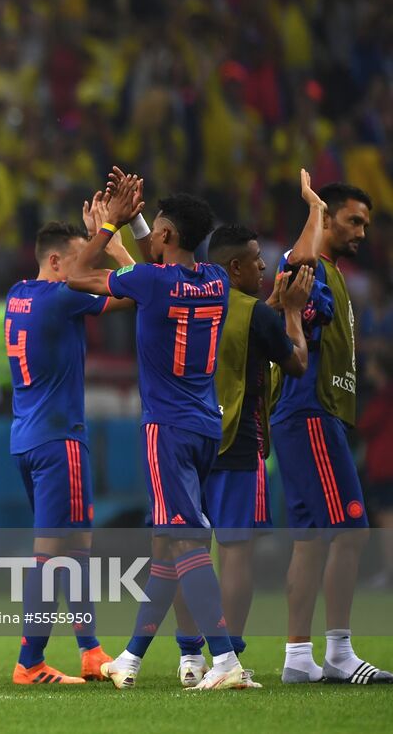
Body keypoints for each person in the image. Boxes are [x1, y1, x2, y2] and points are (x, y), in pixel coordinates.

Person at [68, 175, 256, 691]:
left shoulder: (154, 282)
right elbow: (150, 269)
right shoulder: (215, 278)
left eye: (158, 232)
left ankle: (224, 661)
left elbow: (79, 273)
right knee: (169, 547)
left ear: (168, 234)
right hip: (204, 426)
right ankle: (132, 658)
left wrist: (107, 227)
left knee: (185, 541)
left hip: (166, 429)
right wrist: (138, 225)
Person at [169, 224, 312, 685]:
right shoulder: (256, 313)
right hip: (236, 441)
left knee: (187, 549)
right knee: (234, 551)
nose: (265, 266)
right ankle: (226, 657)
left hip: (183, 437)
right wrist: (290, 311)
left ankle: (190, 656)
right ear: (235, 267)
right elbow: (296, 362)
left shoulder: (190, 298)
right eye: (256, 260)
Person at [271, 174, 392, 684]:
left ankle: (298, 657)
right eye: (354, 220)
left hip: (311, 415)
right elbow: (290, 273)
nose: (363, 230)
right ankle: (340, 652)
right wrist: (311, 209)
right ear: (327, 219)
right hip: (312, 412)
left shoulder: (336, 275)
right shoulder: (314, 267)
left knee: (313, 539)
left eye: (366, 222)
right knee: (352, 529)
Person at [6, 214, 133, 685]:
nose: (86, 269)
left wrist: (98, 242)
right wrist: (114, 239)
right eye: (80, 260)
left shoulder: (18, 294)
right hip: (60, 441)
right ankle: (30, 662)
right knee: (54, 554)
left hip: (26, 438)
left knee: (75, 549)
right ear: (57, 261)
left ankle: (90, 650)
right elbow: (135, 291)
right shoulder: (62, 299)